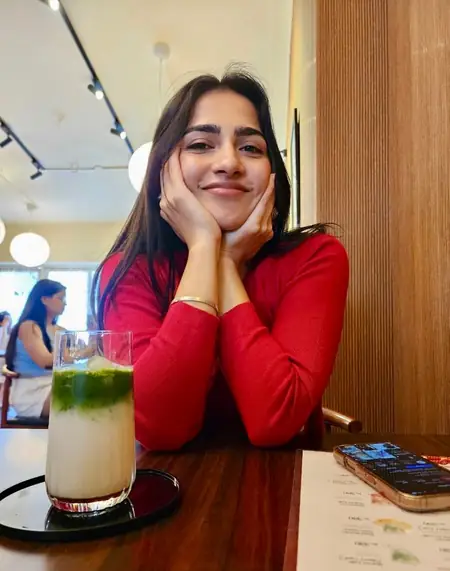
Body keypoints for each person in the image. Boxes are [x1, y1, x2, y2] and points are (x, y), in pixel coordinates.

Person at [93, 69, 349, 451]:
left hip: (286, 481)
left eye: (251, 148)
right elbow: (159, 427)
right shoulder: (128, 271)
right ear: (165, 169)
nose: (229, 162)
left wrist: (225, 262)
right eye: (200, 144)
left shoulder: (315, 257)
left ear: (272, 173)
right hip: (161, 482)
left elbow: (275, 420)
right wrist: (203, 247)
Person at [5, 279, 66, 418]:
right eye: (61, 298)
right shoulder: (28, 326)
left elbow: (68, 359)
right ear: (44, 299)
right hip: (33, 392)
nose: (65, 303)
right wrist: (79, 354)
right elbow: (44, 361)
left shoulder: (59, 330)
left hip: (51, 385)